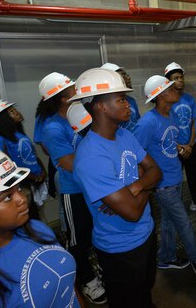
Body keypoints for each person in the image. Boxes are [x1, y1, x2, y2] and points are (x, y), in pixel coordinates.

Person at [71, 68, 162, 308]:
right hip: (120, 249)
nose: (128, 104)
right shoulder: (91, 156)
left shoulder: (124, 135)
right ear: (100, 106)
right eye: (120, 99)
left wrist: (134, 189)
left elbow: (156, 171)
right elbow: (132, 213)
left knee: (145, 293)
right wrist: (145, 180)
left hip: (147, 233)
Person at [0, 146, 79, 307]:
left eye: (19, 189)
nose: (21, 199)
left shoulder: (38, 229)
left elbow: (69, 288)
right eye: (7, 197)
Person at [35, 71, 107, 305]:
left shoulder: (83, 115)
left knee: (97, 232)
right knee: (78, 239)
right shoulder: (53, 128)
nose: (77, 91)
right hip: (74, 191)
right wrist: (101, 161)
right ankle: (87, 280)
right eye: (72, 89)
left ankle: (97, 268)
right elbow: (68, 164)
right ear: (63, 98)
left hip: (93, 187)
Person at [133, 74, 196, 278]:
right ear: (159, 96)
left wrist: (181, 147)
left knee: (168, 221)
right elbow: (136, 153)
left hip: (175, 177)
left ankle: (166, 257)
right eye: (169, 89)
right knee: (184, 221)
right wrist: (143, 185)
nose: (175, 89)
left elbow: (164, 142)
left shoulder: (172, 115)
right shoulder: (147, 123)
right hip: (162, 183)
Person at [0, 99, 48, 212]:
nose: (17, 112)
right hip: (22, 182)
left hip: (35, 180)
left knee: (37, 212)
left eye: (15, 109)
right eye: (11, 112)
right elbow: (9, 165)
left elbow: (33, 155)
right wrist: (31, 177)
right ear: (1, 119)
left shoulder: (20, 134)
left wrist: (42, 171)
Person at [164, 62, 196, 212]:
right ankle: (177, 205)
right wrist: (178, 147)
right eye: (176, 78)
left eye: (181, 77)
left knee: (195, 176)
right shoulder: (167, 101)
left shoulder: (189, 99)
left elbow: (194, 122)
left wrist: (191, 144)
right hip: (174, 149)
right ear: (168, 81)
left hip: (190, 146)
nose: (180, 80)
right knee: (175, 179)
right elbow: (166, 128)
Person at [101, 62, 141, 131]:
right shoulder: (105, 107)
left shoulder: (131, 101)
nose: (127, 78)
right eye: (121, 76)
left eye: (124, 75)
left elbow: (137, 123)